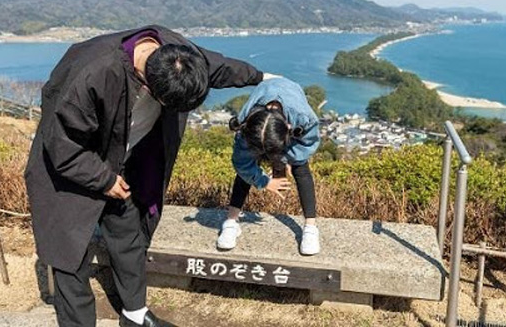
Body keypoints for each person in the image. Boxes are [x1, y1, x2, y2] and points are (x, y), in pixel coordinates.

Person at [25, 25, 268, 327]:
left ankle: (135, 315)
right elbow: (61, 145)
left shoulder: (177, 53)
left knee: (128, 236)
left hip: (121, 163)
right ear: (151, 88)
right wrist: (104, 180)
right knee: (70, 257)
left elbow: (216, 67)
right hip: (67, 168)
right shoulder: (93, 72)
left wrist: (263, 78)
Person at [217, 77, 321, 255]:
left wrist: (284, 160)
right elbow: (242, 162)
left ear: (288, 127)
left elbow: (307, 146)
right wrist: (263, 181)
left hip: (290, 99)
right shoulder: (246, 122)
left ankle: (311, 228)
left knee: (301, 168)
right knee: (245, 172)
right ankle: (231, 221)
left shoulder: (303, 118)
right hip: (265, 106)